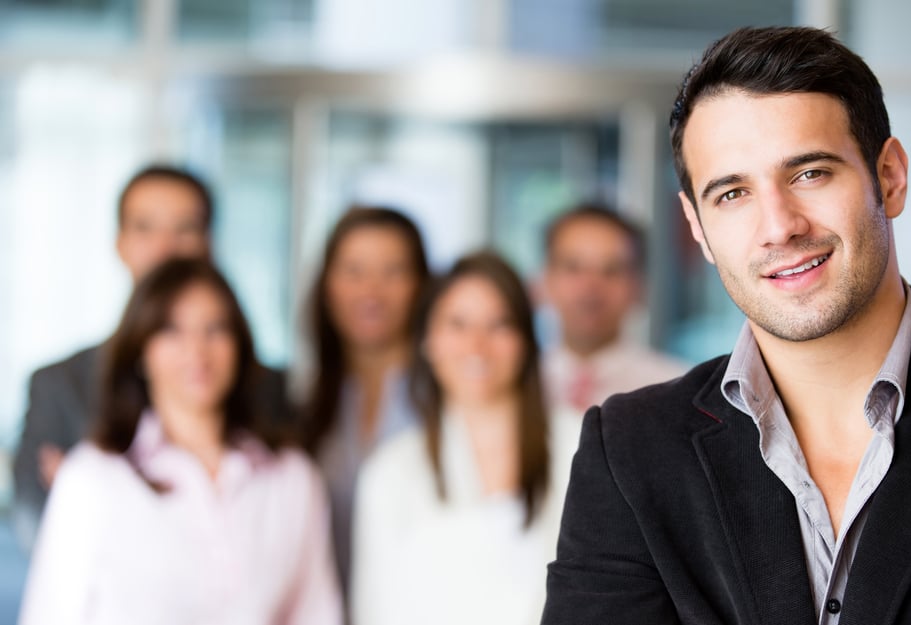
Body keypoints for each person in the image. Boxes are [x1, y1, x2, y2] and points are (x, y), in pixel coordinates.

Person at [542, 26, 911, 625]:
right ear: (698, 227)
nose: (779, 226)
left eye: (810, 173)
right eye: (732, 193)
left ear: (889, 177)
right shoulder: (630, 452)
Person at [19, 258, 341, 625]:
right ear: (141, 349)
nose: (197, 350)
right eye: (171, 330)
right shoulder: (92, 478)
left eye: (215, 329)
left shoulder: (291, 477)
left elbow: (317, 614)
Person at [12, 164, 291, 551]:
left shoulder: (264, 386)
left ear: (209, 243)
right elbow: (36, 523)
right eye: (145, 228)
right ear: (120, 243)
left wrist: (93, 501)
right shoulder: (58, 384)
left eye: (184, 229)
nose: (164, 249)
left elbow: (279, 528)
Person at [352, 251, 580, 625]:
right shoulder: (391, 470)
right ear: (427, 340)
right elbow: (374, 610)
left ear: (526, 339)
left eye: (499, 324)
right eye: (458, 324)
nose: (477, 345)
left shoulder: (581, 447)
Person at [298, 206, 431, 599]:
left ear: (421, 285)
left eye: (393, 272)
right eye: (353, 271)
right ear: (327, 286)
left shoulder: (444, 398)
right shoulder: (305, 400)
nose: (371, 291)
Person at [542, 202, 687, 415]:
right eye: (573, 267)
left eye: (611, 270)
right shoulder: (511, 384)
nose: (590, 286)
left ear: (638, 286)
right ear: (546, 281)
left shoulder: (677, 392)